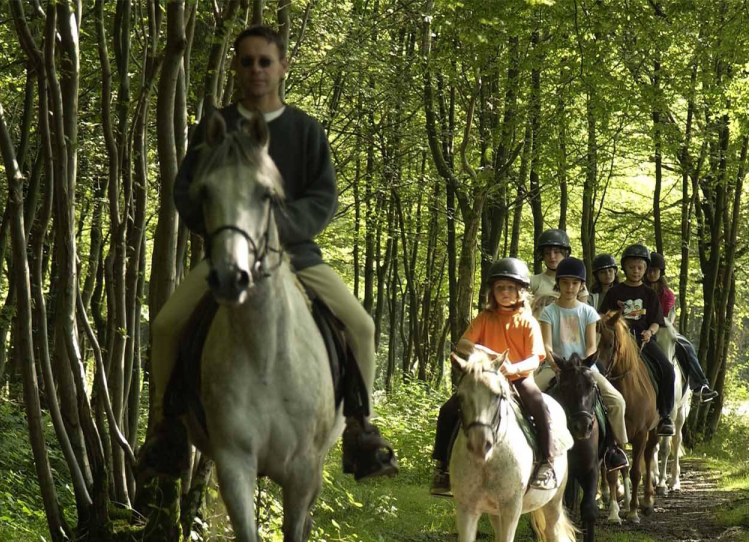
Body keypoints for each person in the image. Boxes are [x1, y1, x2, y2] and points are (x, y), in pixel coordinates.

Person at [139, 25, 397, 483]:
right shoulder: (215, 128)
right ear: (236, 67)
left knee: (361, 324)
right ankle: (168, 428)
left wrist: (276, 231)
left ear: (282, 67)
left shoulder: (304, 129)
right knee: (165, 325)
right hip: (230, 254)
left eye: (265, 61)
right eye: (247, 61)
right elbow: (186, 191)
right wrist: (225, 232)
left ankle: (361, 426)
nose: (255, 70)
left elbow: (323, 197)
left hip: (297, 255)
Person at [431, 258, 557, 496]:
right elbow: (464, 344)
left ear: (520, 291)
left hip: (517, 377)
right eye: (500, 288)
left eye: (510, 288)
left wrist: (513, 368)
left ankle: (546, 462)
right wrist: (489, 353)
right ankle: (443, 467)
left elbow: (536, 358)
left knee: (539, 405)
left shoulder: (528, 321)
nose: (505, 293)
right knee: (449, 409)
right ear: (493, 292)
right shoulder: (485, 318)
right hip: (485, 379)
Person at [537, 258, 630, 472]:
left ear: (582, 286)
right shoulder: (548, 312)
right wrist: (558, 365)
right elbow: (547, 346)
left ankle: (614, 450)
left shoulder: (588, 312)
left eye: (575, 283)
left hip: (585, 368)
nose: (570, 288)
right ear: (558, 283)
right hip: (556, 367)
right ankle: (535, 447)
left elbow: (590, 346)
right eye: (565, 282)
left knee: (617, 402)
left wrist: (585, 366)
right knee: (529, 398)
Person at [597, 244, 676, 437]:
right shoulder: (614, 292)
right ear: (624, 268)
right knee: (599, 368)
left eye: (640, 267)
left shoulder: (649, 294)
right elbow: (602, 316)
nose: (636, 270)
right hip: (618, 342)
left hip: (643, 342)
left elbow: (657, 322)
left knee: (667, 369)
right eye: (632, 267)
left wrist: (650, 332)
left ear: (645, 269)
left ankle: (665, 415)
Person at [645, 252, 718, 402]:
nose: (652, 273)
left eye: (655, 270)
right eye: (649, 270)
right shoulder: (639, 289)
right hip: (642, 328)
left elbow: (664, 318)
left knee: (686, 346)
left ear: (661, 272)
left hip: (663, 330)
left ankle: (700, 385)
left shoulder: (667, 294)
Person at [530, 228, 586, 313]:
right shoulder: (533, 281)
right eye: (547, 253)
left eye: (556, 252)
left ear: (565, 253)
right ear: (542, 256)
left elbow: (583, 312)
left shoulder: (576, 281)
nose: (552, 257)